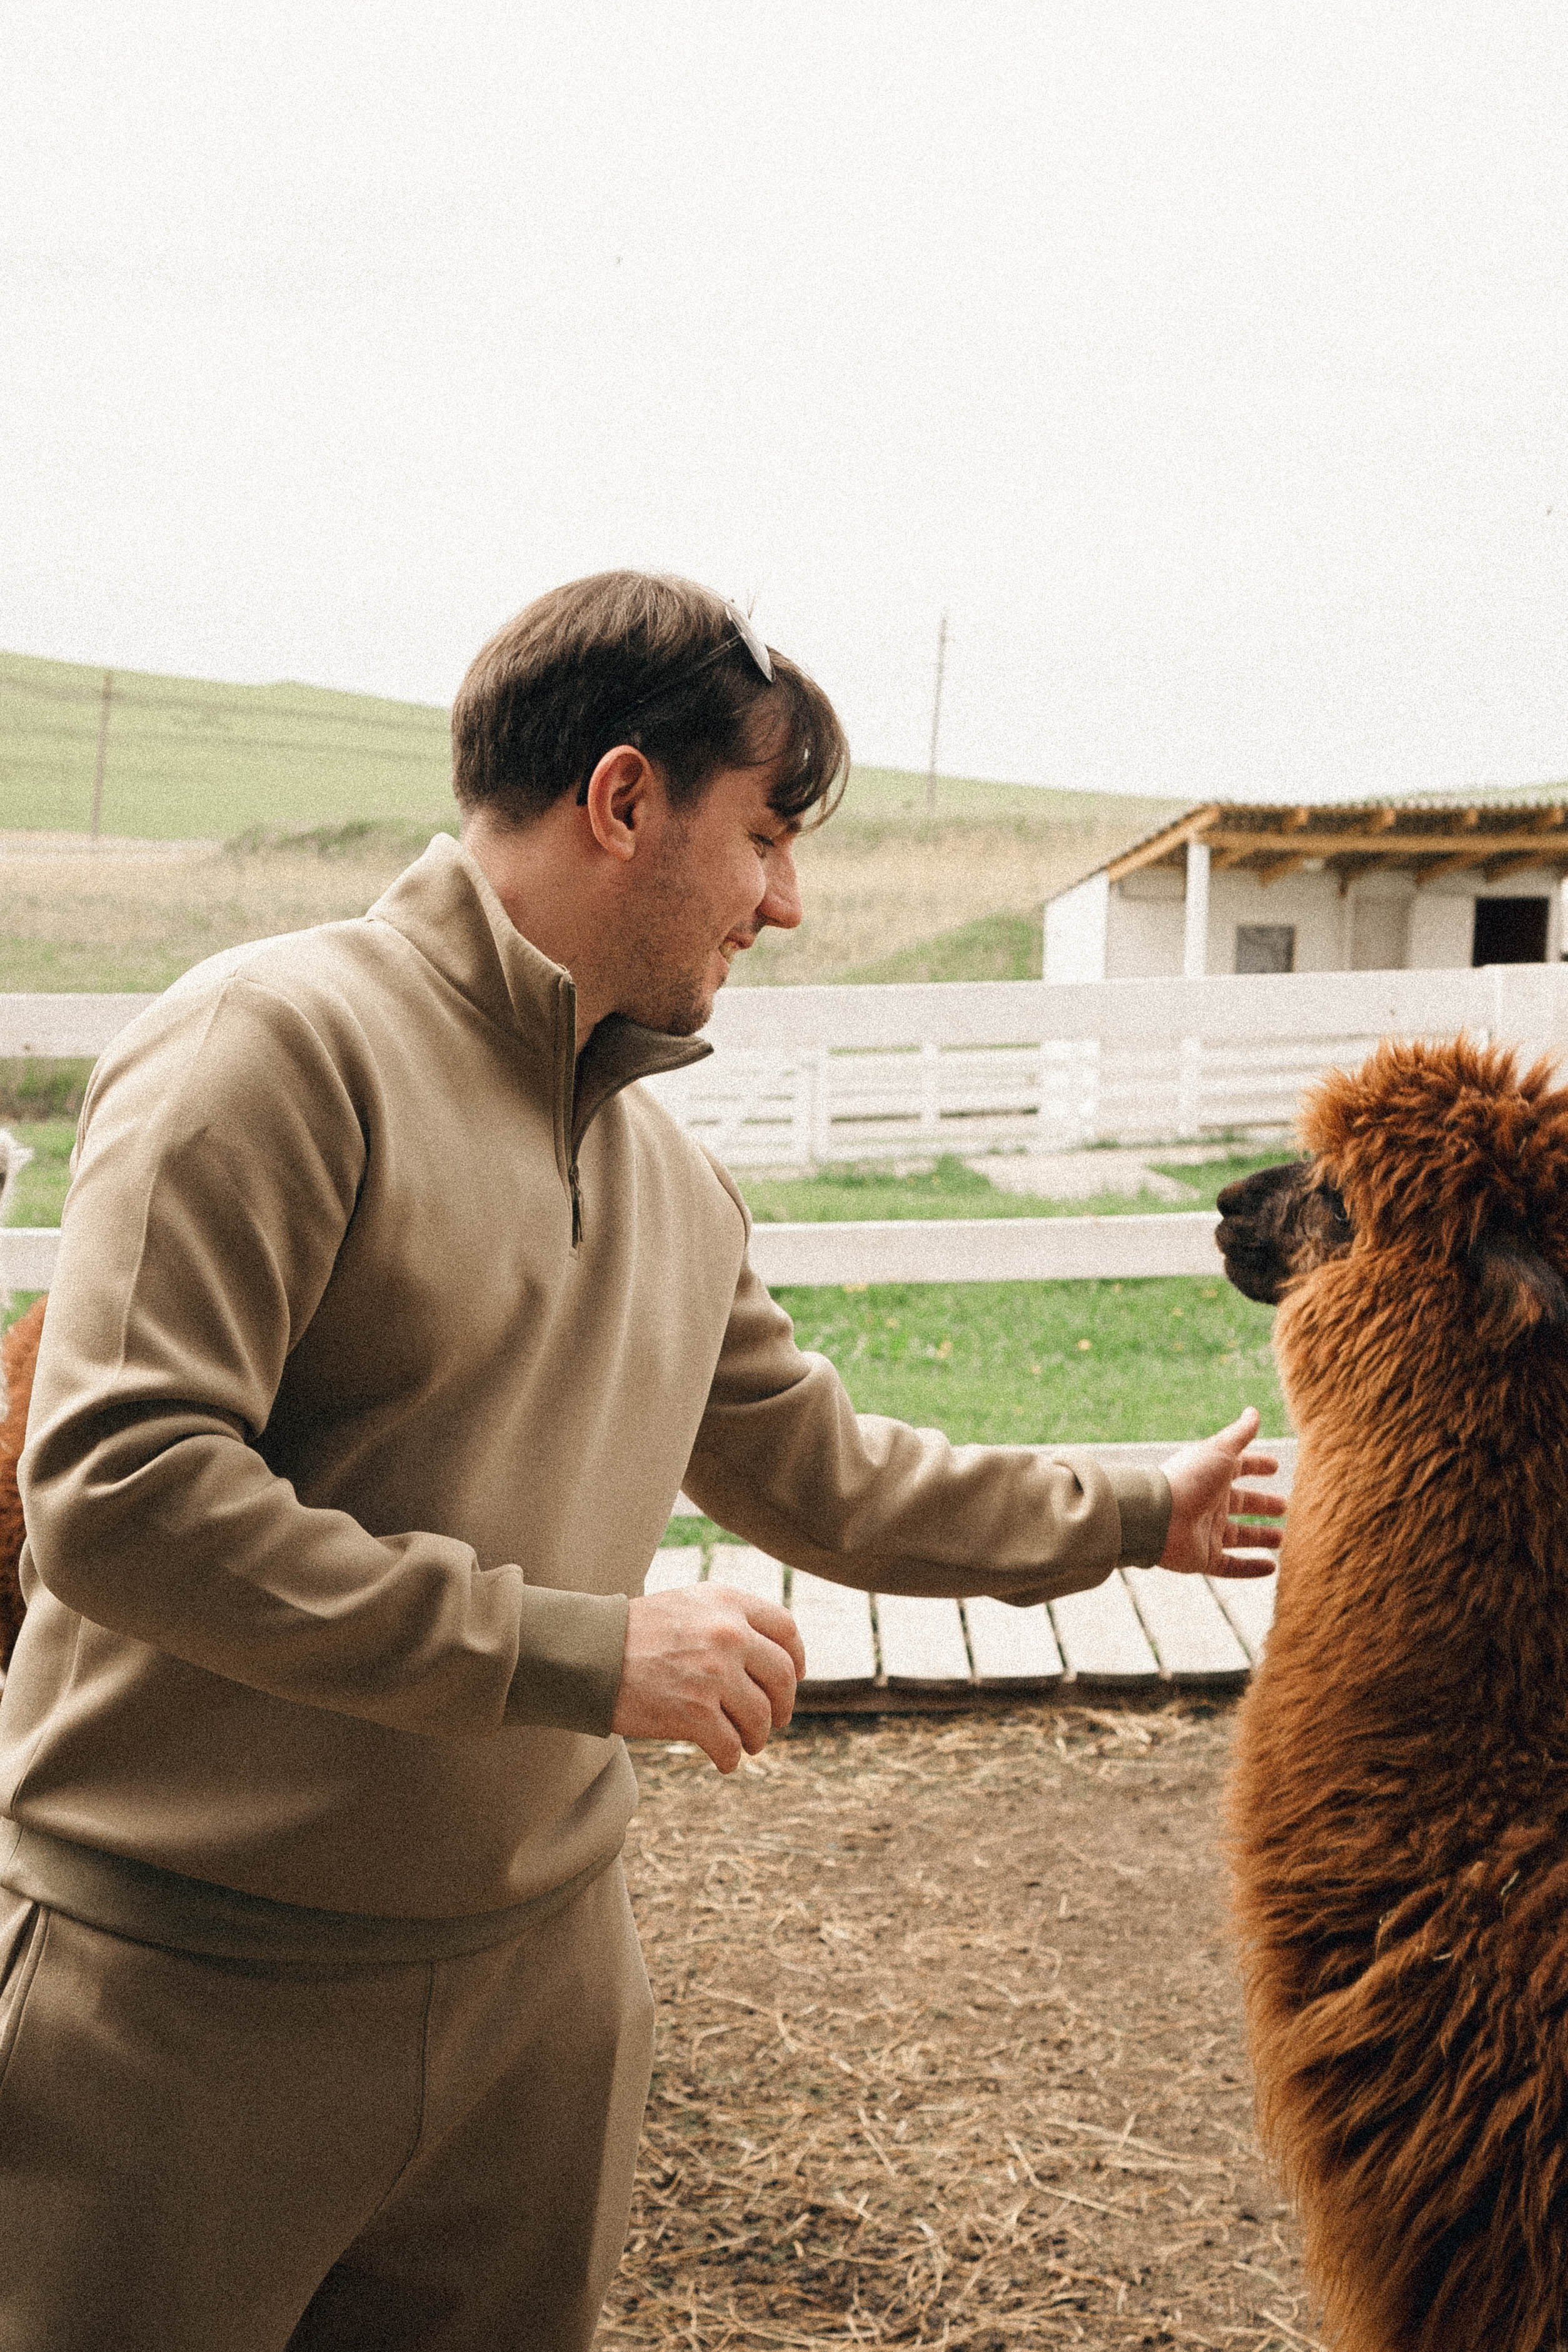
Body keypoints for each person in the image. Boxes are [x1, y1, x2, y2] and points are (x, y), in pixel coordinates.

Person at [0, 572, 1282, 2352]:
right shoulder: (269, 1050)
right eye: (763, 834)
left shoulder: (673, 1181)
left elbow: (828, 1475)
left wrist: (1135, 1509)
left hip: (542, 2014)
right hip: (189, 1998)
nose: (787, 898)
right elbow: (121, 1496)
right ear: (622, 801)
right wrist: (589, 1650)